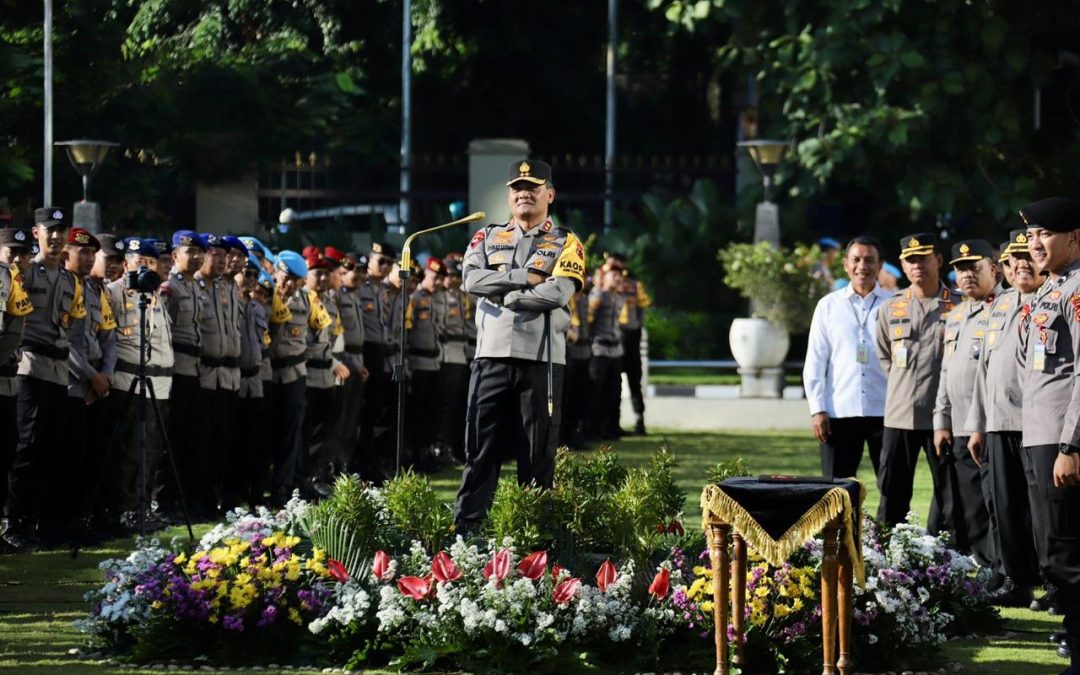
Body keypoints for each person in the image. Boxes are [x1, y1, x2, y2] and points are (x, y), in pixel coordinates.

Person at [454, 159, 586, 534]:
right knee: (480, 447)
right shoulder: (486, 237)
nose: (523, 193)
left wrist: (510, 296)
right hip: (491, 356)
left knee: (537, 453)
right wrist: (520, 278)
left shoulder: (565, 241)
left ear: (550, 194)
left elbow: (558, 291)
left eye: (532, 186)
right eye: (516, 187)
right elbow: (470, 280)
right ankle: (468, 529)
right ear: (509, 195)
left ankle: (533, 534)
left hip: (540, 359)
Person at [1014, 198, 1080, 672]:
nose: (1034, 244)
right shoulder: (1048, 289)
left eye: (1046, 234)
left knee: (1068, 551)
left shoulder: (1076, 291)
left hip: (1060, 440)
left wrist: (1070, 444)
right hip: (1036, 435)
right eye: (1031, 234)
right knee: (1052, 552)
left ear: (1074, 237)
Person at [966, 229, 1044, 608]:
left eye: (1028, 257)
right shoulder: (997, 305)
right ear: (1006, 267)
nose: (1022, 265)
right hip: (997, 424)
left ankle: (1057, 585)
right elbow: (983, 369)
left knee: (1042, 511)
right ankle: (1018, 579)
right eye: (1015, 260)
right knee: (1005, 508)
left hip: (1036, 425)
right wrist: (977, 424)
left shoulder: (1052, 299)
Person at [4, 207, 85, 550]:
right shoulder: (23, 273)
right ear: (36, 233)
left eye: (61, 230)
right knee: (27, 448)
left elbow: (75, 329)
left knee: (54, 450)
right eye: (48, 230)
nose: (55, 236)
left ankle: (44, 523)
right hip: (30, 367)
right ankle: (15, 523)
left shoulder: (71, 281)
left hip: (58, 371)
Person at [874, 232, 962, 532]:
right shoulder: (890, 307)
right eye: (910, 261)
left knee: (951, 494)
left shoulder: (959, 306)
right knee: (892, 494)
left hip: (944, 416)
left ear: (938, 260)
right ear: (902, 264)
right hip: (899, 414)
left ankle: (951, 561)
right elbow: (884, 356)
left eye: (923, 258)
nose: (917, 266)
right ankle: (888, 558)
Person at [932, 239, 1000, 569]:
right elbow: (947, 370)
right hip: (957, 423)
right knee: (970, 501)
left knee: (996, 501)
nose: (967, 274)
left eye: (975, 267)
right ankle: (983, 562)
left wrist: (980, 425)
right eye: (960, 269)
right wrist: (940, 421)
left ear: (994, 268)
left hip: (990, 424)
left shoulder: (1003, 308)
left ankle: (1001, 566)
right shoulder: (956, 315)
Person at [803, 236, 891, 478]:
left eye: (869, 260)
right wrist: (817, 410)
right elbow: (815, 360)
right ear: (845, 264)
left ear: (880, 265)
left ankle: (891, 520)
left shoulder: (894, 305)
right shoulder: (828, 306)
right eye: (856, 259)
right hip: (838, 411)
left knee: (892, 488)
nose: (862, 266)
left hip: (885, 409)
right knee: (835, 491)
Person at [103, 238, 174, 531]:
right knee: (130, 450)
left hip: (159, 384)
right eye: (138, 260)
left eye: (150, 261)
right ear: (126, 263)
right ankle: (126, 509)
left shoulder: (158, 295)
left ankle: (143, 506)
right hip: (128, 381)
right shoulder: (115, 292)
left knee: (151, 450)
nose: (144, 266)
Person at [159, 231, 206, 517]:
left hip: (194, 369)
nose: (197, 256)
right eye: (190, 251)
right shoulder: (170, 287)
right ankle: (165, 500)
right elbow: (164, 332)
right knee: (172, 438)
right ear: (176, 256)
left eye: (200, 251)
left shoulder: (196, 286)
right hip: (177, 367)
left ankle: (183, 499)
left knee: (190, 436)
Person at [267, 250, 311, 506]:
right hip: (268, 372)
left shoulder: (305, 300)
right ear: (276, 273)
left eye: (293, 279)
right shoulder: (265, 295)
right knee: (263, 432)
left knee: (291, 433)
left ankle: (282, 487)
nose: (287, 283)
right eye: (284, 276)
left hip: (294, 373)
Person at [299, 249, 345, 497]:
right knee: (305, 430)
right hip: (307, 372)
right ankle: (301, 480)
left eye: (327, 274)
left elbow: (334, 335)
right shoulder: (302, 299)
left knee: (321, 429)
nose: (324, 279)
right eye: (318, 274)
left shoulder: (328, 302)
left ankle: (315, 477)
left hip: (326, 373)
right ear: (307, 276)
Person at [0, 228, 32, 547]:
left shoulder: (15, 281)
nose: (20, 259)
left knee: (8, 452)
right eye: (13, 252)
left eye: (24, 253)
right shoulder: (1, 279)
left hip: (9, 380)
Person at [327, 249, 370, 476]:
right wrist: (348, 362)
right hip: (342, 360)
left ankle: (343, 462)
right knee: (339, 417)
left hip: (356, 359)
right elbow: (338, 338)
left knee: (351, 418)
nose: (361, 276)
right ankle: (332, 465)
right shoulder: (337, 296)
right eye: (356, 271)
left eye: (364, 271)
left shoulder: (354, 296)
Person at [407, 257, 447, 468]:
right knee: (417, 412)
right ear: (426, 274)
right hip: (418, 361)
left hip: (434, 361)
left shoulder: (437, 298)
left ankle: (427, 452)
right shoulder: (414, 297)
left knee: (432, 411)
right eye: (435, 278)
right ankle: (414, 455)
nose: (438, 282)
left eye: (441, 279)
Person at [609, 254, 651, 435]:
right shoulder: (609, 286)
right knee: (613, 383)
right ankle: (612, 422)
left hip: (632, 337)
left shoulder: (636, 285)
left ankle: (639, 420)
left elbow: (642, 309)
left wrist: (637, 328)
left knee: (635, 382)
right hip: (615, 337)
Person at [435, 257, 471, 462]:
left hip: (461, 353)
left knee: (458, 406)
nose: (455, 280)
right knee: (446, 406)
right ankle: (442, 447)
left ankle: (453, 447)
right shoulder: (441, 297)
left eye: (458, 276)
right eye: (451, 276)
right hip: (447, 353)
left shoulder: (460, 296)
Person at [587, 261, 626, 441]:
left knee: (614, 391)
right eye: (614, 275)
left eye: (620, 275)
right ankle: (591, 429)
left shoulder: (618, 297)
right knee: (595, 391)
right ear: (605, 277)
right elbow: (589, 321)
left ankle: (610, 427)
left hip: (615, 350)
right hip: (599, 349)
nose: (618, 278)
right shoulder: (597, 295)